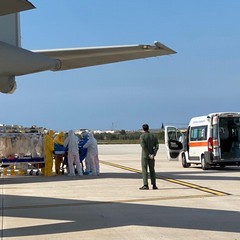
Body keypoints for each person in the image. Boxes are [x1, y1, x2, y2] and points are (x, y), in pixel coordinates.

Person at [139, 124, 159, 190]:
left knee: (144, 170)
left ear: (143, 129)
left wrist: (148, 154)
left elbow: (143, 146)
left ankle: (145, 184)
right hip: (152, 156)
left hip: (145, 156)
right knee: (152, 170)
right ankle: (154, 185)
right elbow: (157, 145)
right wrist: (153, 153)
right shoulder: (153, 136)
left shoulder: (142, 136)